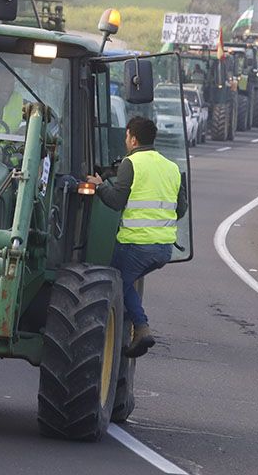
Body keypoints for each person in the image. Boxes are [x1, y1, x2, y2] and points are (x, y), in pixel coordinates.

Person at [86, 116, 184, 359]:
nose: (126, 141)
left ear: (132, 138)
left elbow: (116, 201)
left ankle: (141, 329)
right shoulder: (171, 167)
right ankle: (129, 331)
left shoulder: (132, 163)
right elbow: (181, 209)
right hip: (163, 249)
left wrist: (99, 186)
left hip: (136, 244)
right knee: (125, 284)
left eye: (126, 137)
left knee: (115, 280)